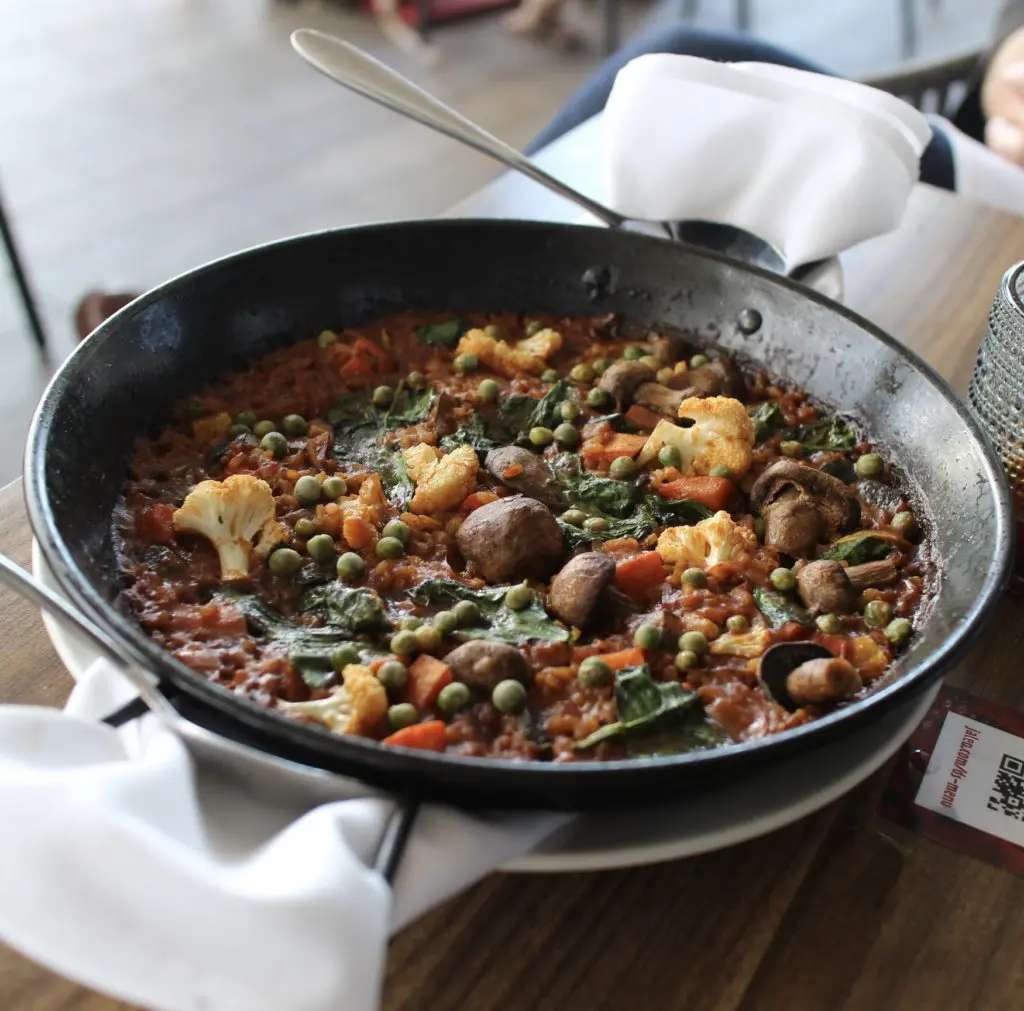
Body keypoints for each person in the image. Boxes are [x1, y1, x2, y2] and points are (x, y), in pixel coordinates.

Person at [74, 3, 1024, 341]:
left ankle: (389, 276)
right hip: (979, 139)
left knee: (687, 52)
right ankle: (254, 298)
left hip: (1000, 207)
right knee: (677, 55)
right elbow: (1006, 65)